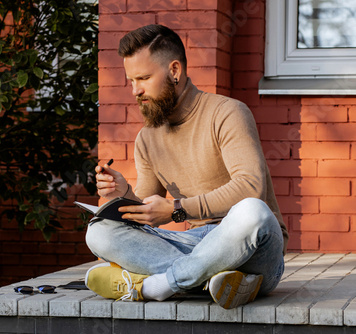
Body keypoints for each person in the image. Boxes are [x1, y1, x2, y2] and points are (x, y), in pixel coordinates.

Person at [84, 24, 288, 309]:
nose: (135, 90)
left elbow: (250, 187)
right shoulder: (147, 138)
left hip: (253, 248)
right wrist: (123, 193)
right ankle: (210, 278)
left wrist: (177, 209)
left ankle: (157, 284)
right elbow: (146, 212)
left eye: (143, 78)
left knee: (253, 211)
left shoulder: (227, 112)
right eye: (131, 80)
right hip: (196, 245)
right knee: (99, 232)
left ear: (174, 71)